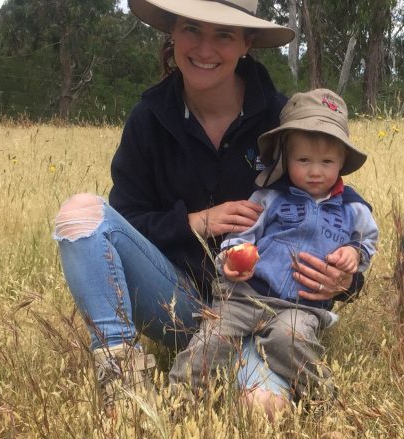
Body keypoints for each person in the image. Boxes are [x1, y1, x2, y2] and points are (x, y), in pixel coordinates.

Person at [51, 0, 363, 416]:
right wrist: (194, 222)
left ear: (246, 43)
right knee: (79, 214)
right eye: (192, 29)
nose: (204, 48)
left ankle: (264, 369)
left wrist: (346, 278)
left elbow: (331, 203)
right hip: (174, 301)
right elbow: (128, 217)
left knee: (263, 411)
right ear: (173, 33)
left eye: (223, 34)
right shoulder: (148, 118)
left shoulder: (281, 118)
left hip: (260, 310)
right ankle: (121, 383)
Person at [168, 89, 377, 404]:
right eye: (303, 160)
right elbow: (242, 235)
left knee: (288, 340)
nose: (315, 171)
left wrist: (354, 254)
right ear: (285, 158)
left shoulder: (353, 207)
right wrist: (233, 256)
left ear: (342, 161)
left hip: (301, 306)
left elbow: (366, 241)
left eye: (327, 161)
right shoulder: (269, 196)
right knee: (212, 339)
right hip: (245, 297)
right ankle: (179, 400)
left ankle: (323, 397)